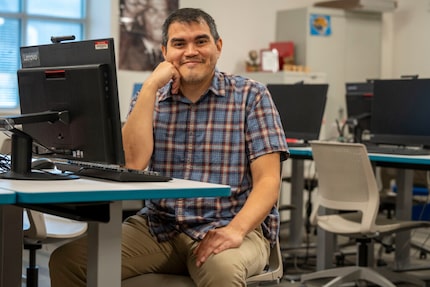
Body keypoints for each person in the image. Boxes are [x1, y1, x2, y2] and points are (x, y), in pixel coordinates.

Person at [49, 8, 289, 287]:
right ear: (164, 52)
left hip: (229, 224)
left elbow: (268, 181)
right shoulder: (151, 98)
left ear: (218, 46)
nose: (191, 51)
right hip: (159, 227)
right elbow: (132, 165)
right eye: (179, 44)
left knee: (223, 272)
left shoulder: (251, 95)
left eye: (201, 41)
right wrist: (150, 86)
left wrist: (235, 231)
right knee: (68, 262)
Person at [119, 0, 178, 71]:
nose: (162, 19)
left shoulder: (175, 53)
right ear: (140, 18)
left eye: (165, 12)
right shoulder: (126, 52)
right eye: (153, 11)